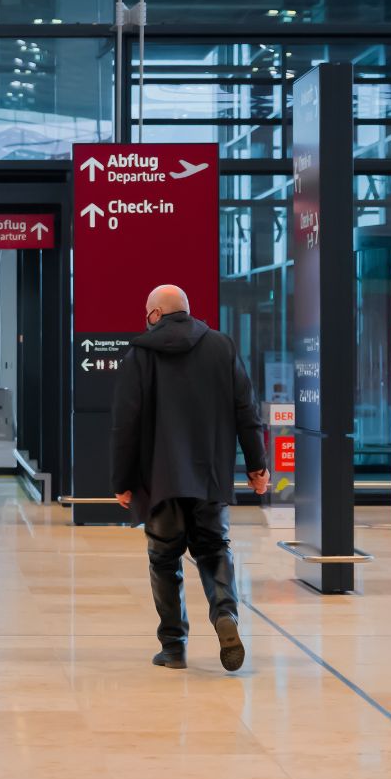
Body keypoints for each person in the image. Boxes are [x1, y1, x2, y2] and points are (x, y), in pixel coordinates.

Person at [111, 284, 268, 672]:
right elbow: (246, 410)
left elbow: (126, 424)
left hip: (159, 480)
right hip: (210, 476)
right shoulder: (222, 347)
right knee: (214, 548)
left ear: (154, 315)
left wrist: (122, 480)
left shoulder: (140, 355)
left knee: (164, 559)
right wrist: (257, 465)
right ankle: (225, 614)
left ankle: (173, 646)